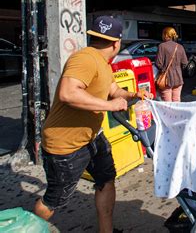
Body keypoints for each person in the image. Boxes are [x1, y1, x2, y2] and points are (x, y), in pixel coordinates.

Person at [33, 16, 153, 232]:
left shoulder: (104, 64)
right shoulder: (84, 58)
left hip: (93, 137)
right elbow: (68, 93)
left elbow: (114, 92)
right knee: (55, 199)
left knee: (106, 180)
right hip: (65, 145)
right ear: (117, 43)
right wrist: (111, 106)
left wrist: (135, 94)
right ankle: (27, 228)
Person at [156, 27, 188, 102]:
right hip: (178, 79)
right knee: (176, 102)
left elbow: (158, 64)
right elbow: (185, 63)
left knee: (168, 104)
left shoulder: (162, 46)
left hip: (166, 80)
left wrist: (163, 70)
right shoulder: (180, 47)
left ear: (166, 35)